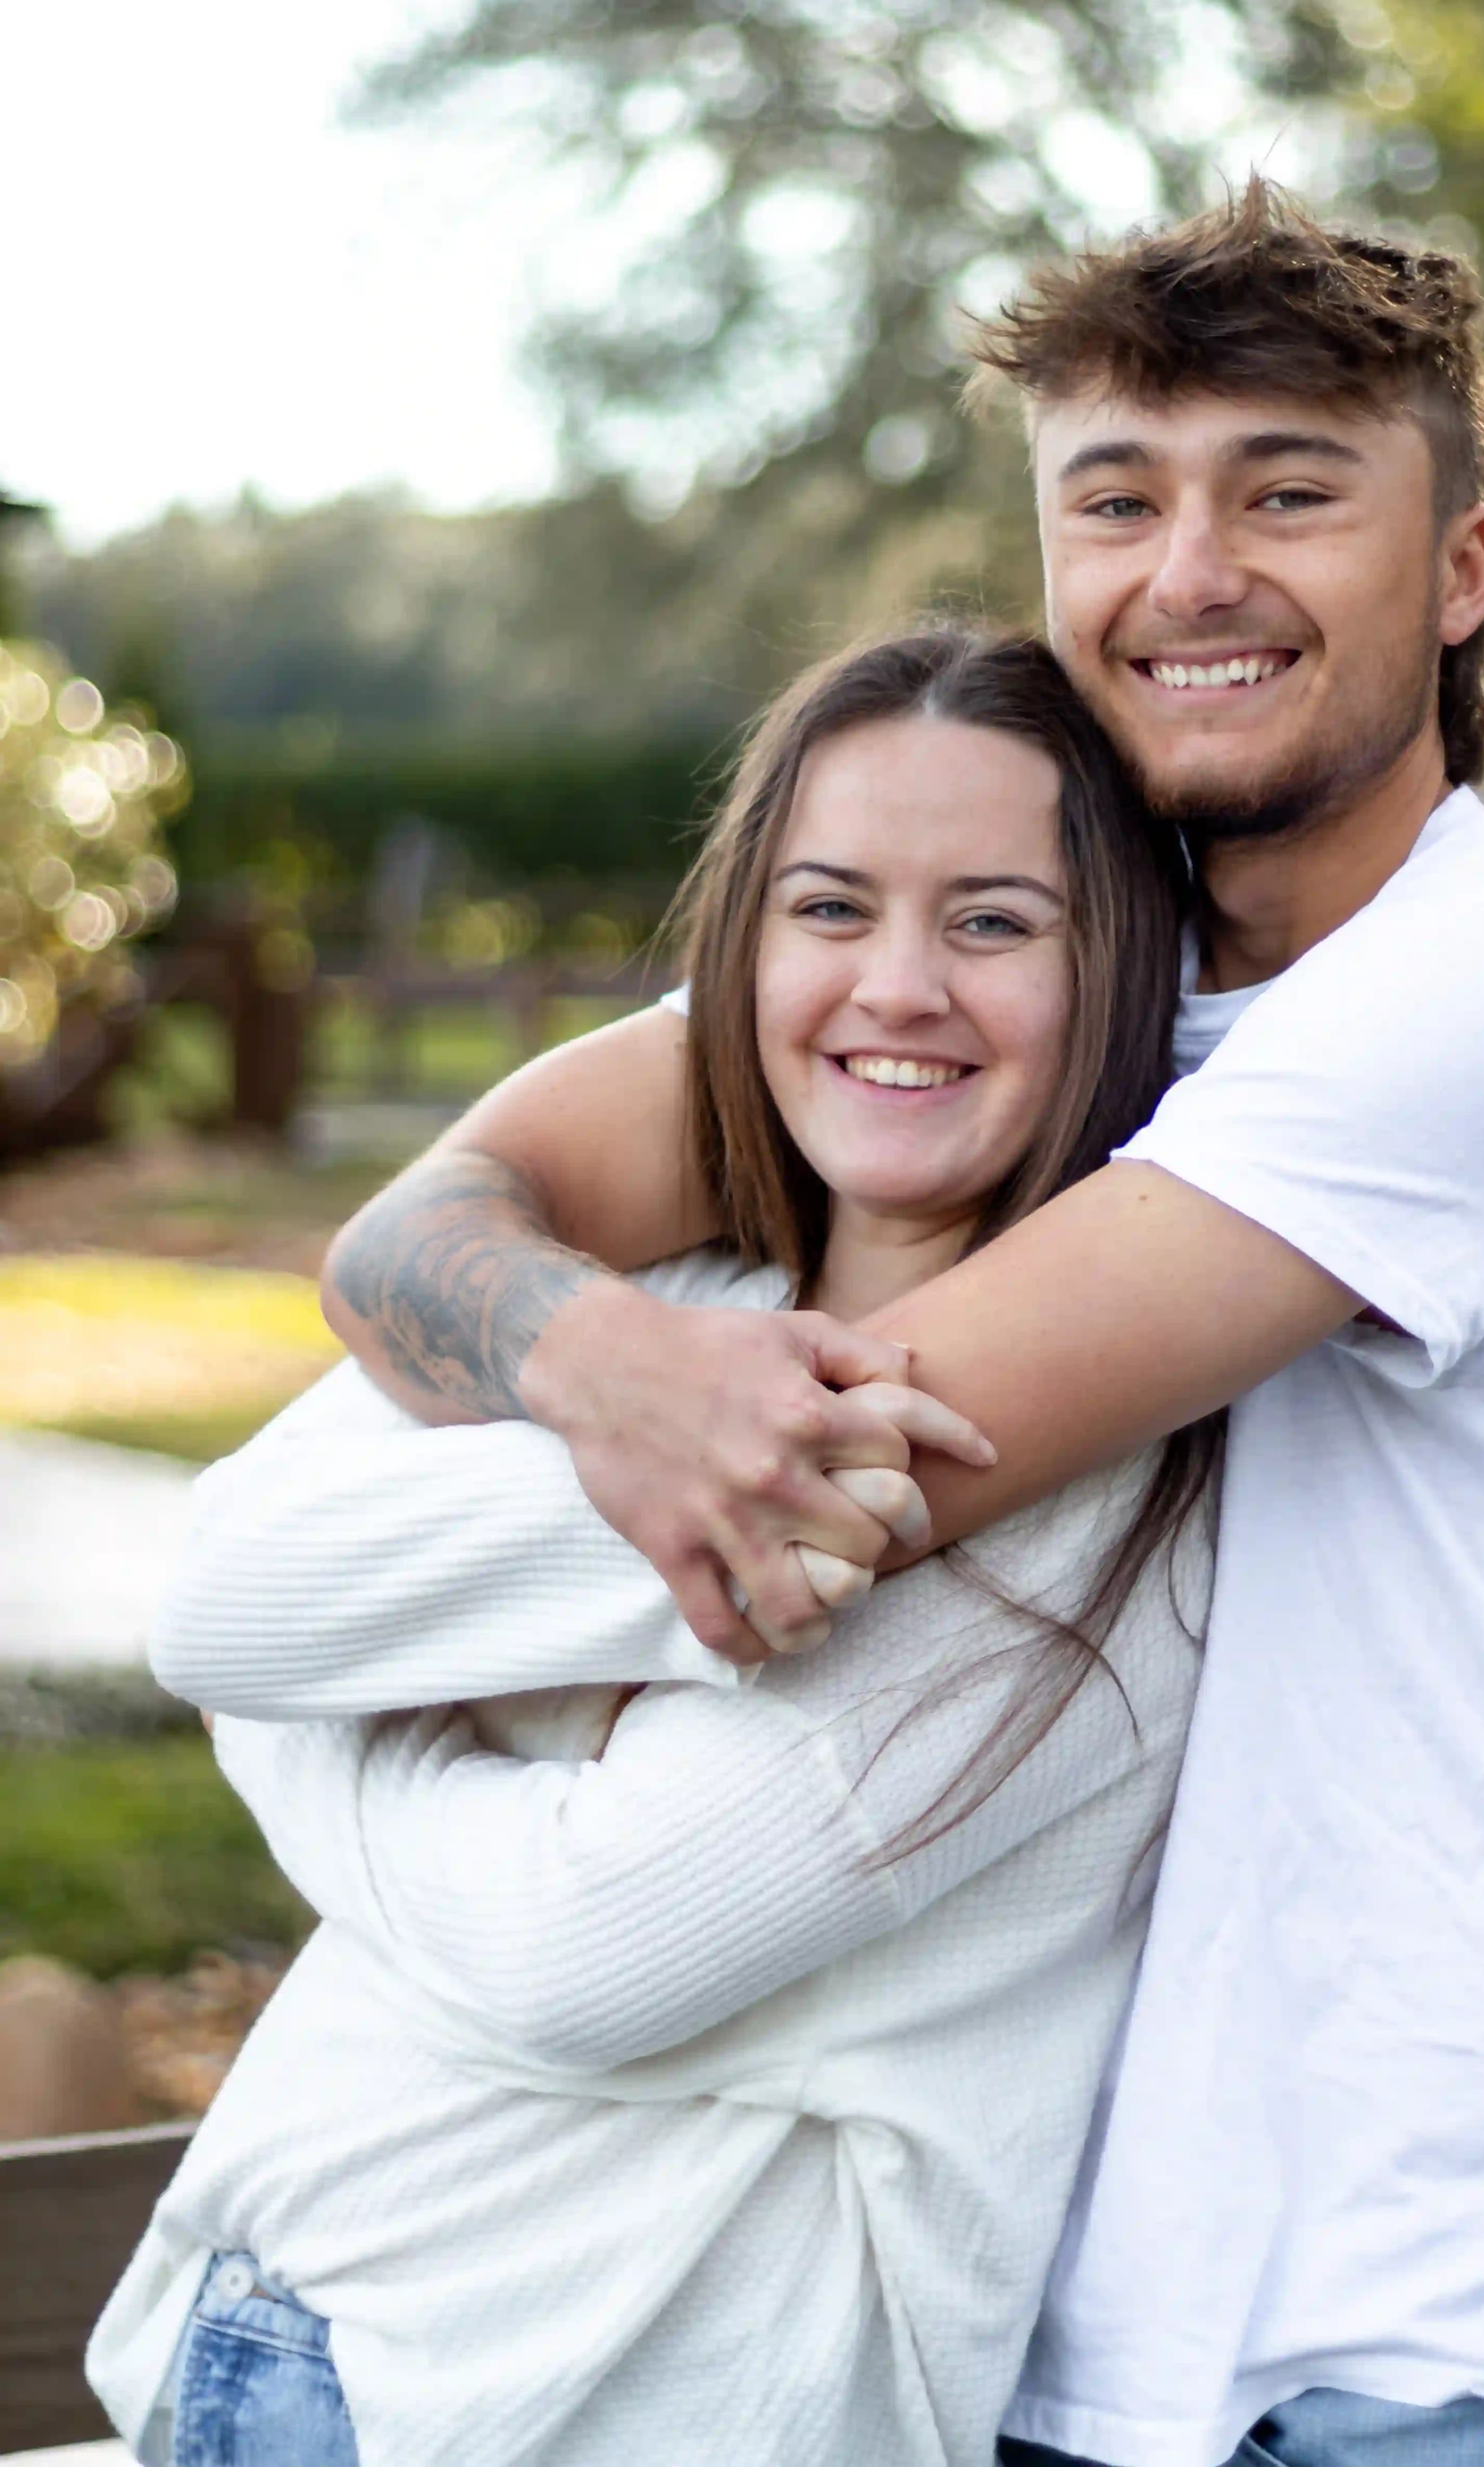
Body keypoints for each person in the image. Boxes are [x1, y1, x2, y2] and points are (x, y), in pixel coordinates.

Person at [183, 181, 1484, 2467]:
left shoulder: (1473, 1003)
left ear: (1462, 570)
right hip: (1030, 2337)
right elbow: (427, 1235)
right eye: (1118, 501)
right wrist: (600, 1359)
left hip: (1382, 2349)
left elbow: (835, 1468)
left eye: (1290, 492)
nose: (1191, 572)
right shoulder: (1015, 965)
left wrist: (306, 1703)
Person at [91, 630, 1218, 2467]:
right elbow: (217, 1596)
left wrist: (320, 1731)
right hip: (286, 2344)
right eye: (831, 908)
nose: (900, 987)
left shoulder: (1076, 1503)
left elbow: (578, 1951)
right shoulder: (669, 1293)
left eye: (998, 922)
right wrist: (613, 1417)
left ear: (1120, 975)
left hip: (577, 2409)